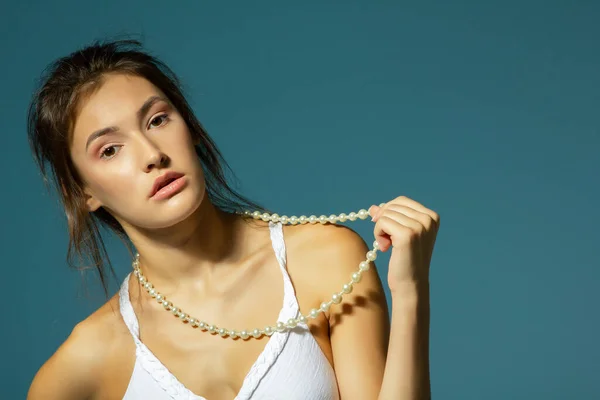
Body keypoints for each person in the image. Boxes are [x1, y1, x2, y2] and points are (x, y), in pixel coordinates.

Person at [26, 39, 439, 400]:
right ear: (83, 193)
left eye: (157, 120)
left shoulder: (324, 261)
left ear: (189, 126)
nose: (153, 154)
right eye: (110, 150)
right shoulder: (83, 364)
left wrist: (410, 292)